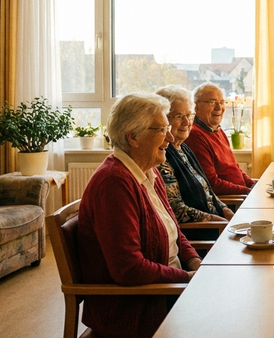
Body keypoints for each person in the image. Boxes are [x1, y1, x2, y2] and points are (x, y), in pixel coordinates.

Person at [77, 93, 201, 338]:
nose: (170, 137)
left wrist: (195, 262)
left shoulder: (148, 172)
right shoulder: (114, 183)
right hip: (139, 307)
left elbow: (174, 232)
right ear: (132, 137)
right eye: (161, 130)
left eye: (168, 128)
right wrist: (187, 277)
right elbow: (129, 268)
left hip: (168, 289)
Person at [156, 85, 234, 224]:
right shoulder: (161, 155)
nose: (187, 122)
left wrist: (225, 209)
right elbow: (176, 210)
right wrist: (218, 221)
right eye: (179, 116)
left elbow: (208, 191)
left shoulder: (183, 148)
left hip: (217, 224)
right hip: (201, 230)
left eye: (189, 115)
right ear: (163, 119)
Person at [186, 82, 257, 196]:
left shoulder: (217, 130)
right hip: (231, 201)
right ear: (196, 107)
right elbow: (212, 184)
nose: (219, 108)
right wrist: (248, 192)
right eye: (212, 102)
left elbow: (235, 169)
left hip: (241, 196)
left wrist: (254, 186)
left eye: (222, 102)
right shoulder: (195, 135)